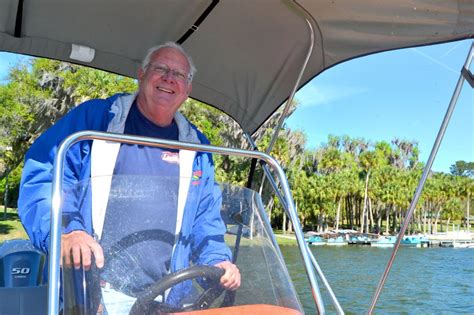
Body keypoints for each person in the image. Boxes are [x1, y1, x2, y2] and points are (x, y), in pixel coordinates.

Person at [18, 42, 240, 311]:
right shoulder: (96, 119)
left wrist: (217, 261)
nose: (169, 78)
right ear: (141, 74)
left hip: (166, 301)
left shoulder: (199, 149)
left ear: (188, 89)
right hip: (94, 295)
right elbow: (46, 173)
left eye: (180, 74)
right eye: (161, 68)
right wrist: (66, 232)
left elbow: (206, 220)